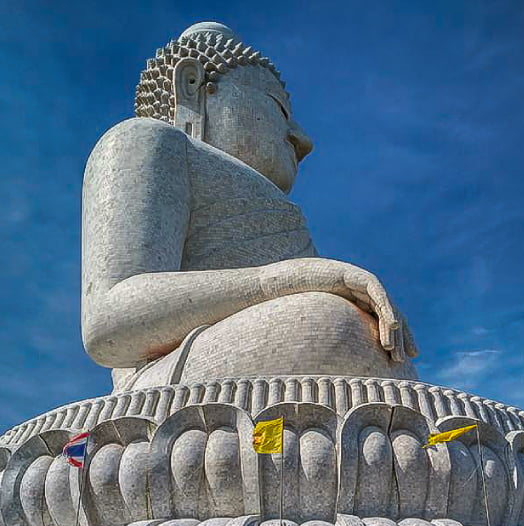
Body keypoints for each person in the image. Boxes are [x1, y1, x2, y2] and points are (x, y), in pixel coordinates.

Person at [82, 22, 417, 393]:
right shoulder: (148, 141)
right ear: (192, 86)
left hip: (268, 350)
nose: (301, 140)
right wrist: (282, 279)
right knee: (328, 322)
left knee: (377, 338)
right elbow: (108, 324)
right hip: (162, 376)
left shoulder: (280, 205)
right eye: (278, 109)